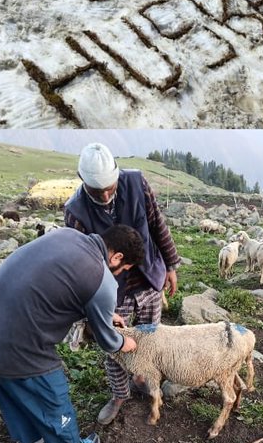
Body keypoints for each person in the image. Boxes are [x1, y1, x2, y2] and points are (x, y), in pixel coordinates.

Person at [0, 223, 142, 443]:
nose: (119, 273)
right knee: (51, 394)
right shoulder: (103, 279)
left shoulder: (66, 235)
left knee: (11, 392)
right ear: (117, 256)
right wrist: (125, 342)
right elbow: (108, 340)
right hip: (18, 341)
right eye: (123, 268)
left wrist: (104, 312)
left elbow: (55, 285)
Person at [63, 143, 180, 425]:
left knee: (149, 338)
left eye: (109, 187)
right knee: (113, 345)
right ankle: (119, 394)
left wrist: (171, 265)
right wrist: (89, 303)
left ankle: (143, 378)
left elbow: (157, 224)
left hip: (149, 276)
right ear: (82, 181)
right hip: (112, 291)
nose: (104, 195)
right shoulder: (75, 212)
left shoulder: (137, 183)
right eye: (96, 190)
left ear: (117, 175)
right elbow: (78, 262)